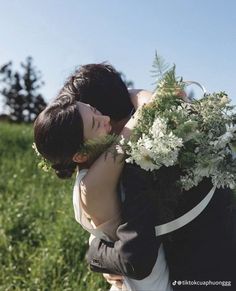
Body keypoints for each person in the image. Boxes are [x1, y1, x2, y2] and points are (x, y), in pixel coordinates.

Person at [34, 63, 236, 290]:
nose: (102, 121)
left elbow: (133, 256)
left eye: (95, 111)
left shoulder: (141, 161)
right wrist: (138, 94)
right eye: (91, 119)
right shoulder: (121, 162)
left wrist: (96, 252)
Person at [34, 65, 173, 290]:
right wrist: (132, 94)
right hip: (147, 281)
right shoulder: (96, 179)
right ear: (79, 153)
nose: (106, 118)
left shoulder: (90, 164)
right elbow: (147, 109)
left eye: (95, 110)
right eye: (95, 123)